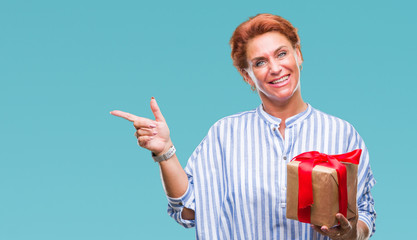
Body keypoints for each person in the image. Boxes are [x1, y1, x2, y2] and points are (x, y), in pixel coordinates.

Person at [111, 13, 376, 240]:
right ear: (247, 75)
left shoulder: (342, 133)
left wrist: (351, 233)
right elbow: (188, 209)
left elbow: (364, 212)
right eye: (260, 62)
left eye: (281, 54)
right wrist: (165, 151)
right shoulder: (225, 134)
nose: (275, 68)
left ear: (298, 55)